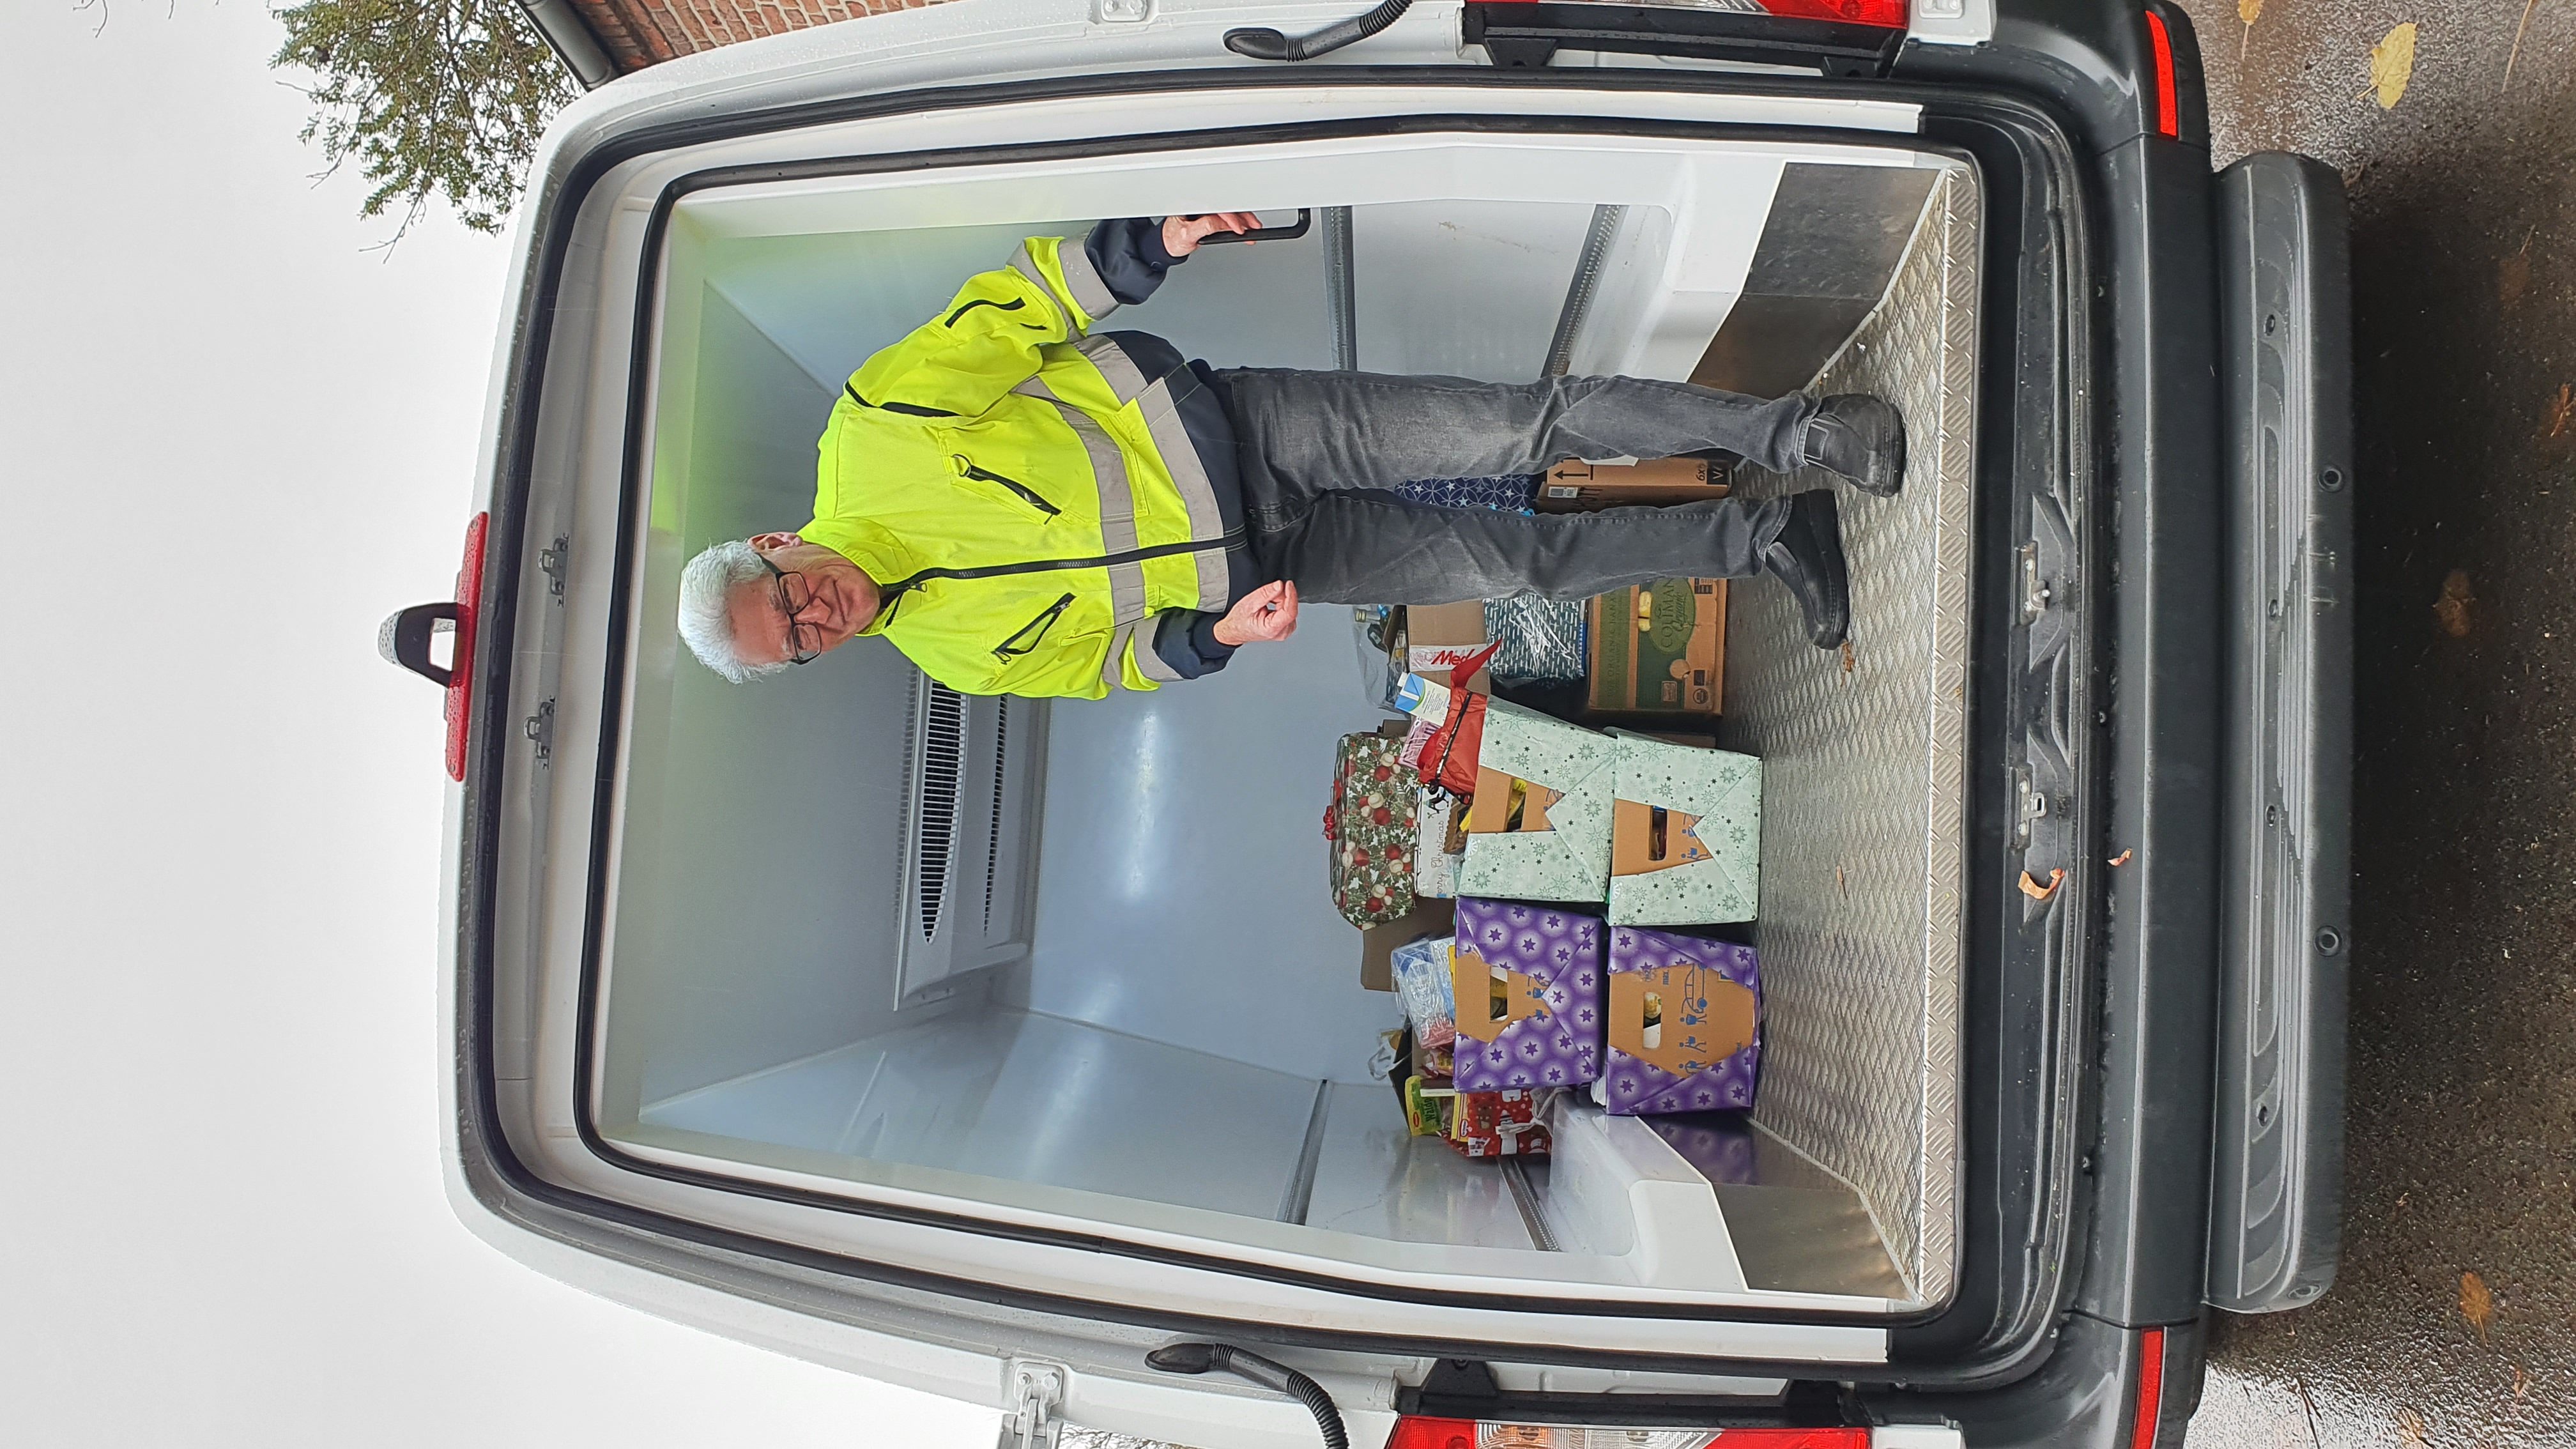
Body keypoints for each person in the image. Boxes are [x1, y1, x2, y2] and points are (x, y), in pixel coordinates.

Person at [676, 213, 1905, 698]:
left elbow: (1008, 312)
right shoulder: (950, 659)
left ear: (778, 544)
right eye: (802, 644)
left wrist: (1144, 242)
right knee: (1519, 567)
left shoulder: (870, 437)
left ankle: (1799, 432)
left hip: (1250, 431)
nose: (819, 616)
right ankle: (1768, 532)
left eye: (789, 596)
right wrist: (1217, 639)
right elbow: (1111, 666)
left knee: (1524, 425)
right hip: (1277, 570)